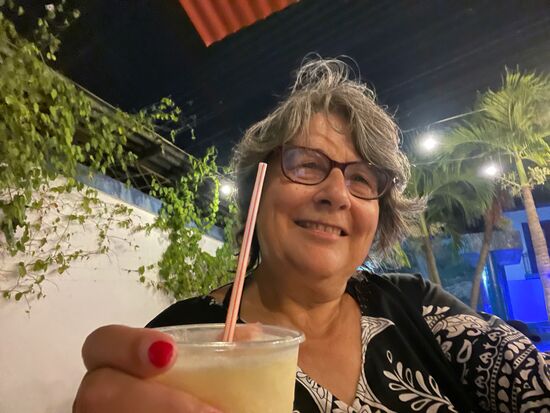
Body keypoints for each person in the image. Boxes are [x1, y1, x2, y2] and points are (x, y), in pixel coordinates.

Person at [73, 57, 550, 413]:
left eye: (362, 178)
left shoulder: (417, 308)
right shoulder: (184, 341)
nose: (337, 194)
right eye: (306, 164)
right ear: (257, 193)